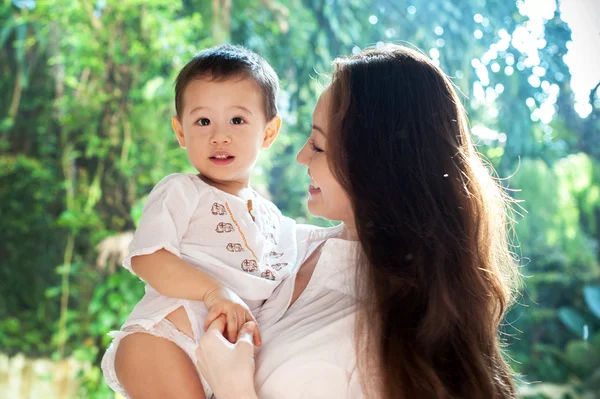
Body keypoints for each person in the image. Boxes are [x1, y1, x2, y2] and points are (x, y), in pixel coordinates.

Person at [195, 44, 520, 398]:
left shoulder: (400, 339)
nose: (303, 156)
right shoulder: (288, 247)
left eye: (319, 146)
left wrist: (232, 388)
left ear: (375, 166)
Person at [100, 44, 298, 399]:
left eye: (237, 120)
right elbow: (148, 257)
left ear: (269, 132)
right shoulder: (180, 190)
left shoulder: (278, 221)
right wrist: (213, 292)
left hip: (224, 364)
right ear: (180, 132)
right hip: (162, 340)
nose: (218, 135)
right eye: (203, 121)